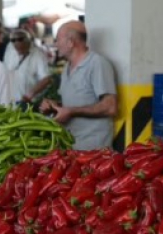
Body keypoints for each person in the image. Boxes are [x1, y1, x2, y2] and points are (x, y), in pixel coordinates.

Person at [39, 20, 118, 150]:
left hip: (93, 151)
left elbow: (110, 107)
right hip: (71, 145)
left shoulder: (97, 64)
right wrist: (54, 106)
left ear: (70, 42)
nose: (56, 44)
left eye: (58, 40)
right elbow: (71, 104)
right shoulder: (67, 68)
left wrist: (71, 112)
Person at [4, 29, 51, 105]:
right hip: (9, 100)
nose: (16, 43)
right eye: (13, 40)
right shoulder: (9, 47)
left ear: (29, 40)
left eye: (20, 39)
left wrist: (30, 95)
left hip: (27, 101)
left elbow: (46, 79)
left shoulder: (38, 54)